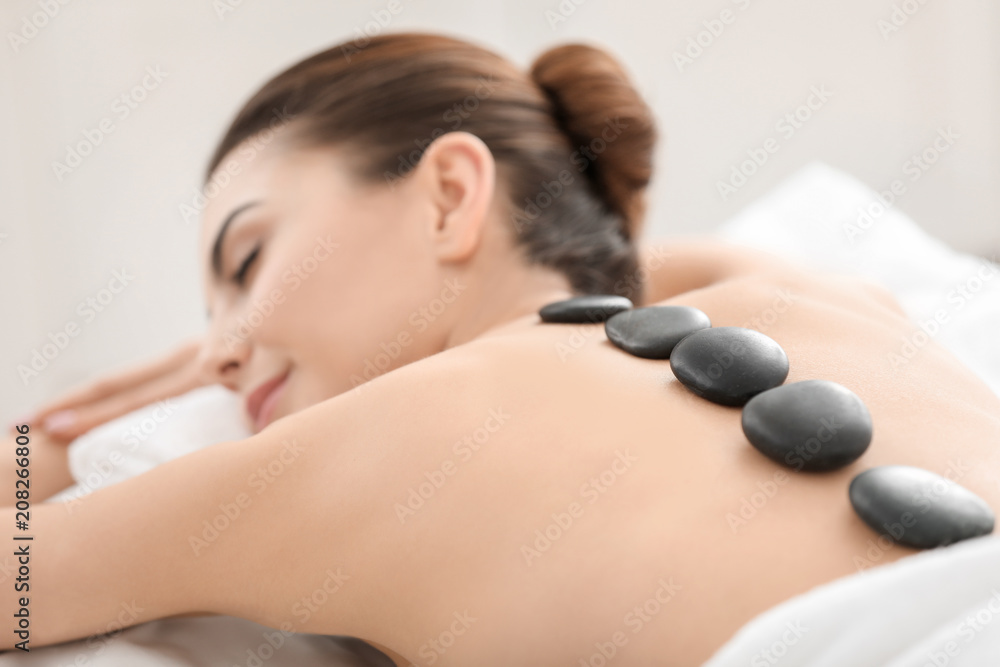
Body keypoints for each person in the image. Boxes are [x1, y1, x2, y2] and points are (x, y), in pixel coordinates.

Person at [4, 32, 999, 666]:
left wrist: (44, 439)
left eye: (250, 255)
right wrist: (255, 326)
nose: (217, 353)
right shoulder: (831, 299)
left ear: (449, 194)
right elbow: (637, 290)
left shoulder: (363, 453)